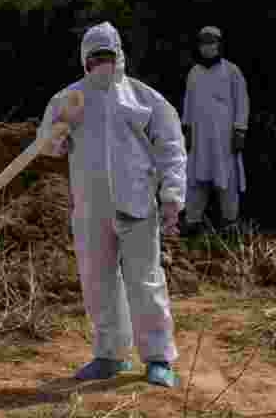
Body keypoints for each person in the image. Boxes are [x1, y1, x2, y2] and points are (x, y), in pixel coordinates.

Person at [38, 22, 184, 388]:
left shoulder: (143, 98)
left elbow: (170, 146)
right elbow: (46, 147)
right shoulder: (68, 100)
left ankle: (158, 356)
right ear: (84, 60)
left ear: (119, 56)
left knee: (145, 280)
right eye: (95, 57)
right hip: (90, 206)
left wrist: (172, 195)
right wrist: (60, 129)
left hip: (136, 203)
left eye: (108, 56)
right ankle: (109, 354)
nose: (102, 63)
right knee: (96, 280)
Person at [181, 26, 249, 236]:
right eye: (204, 41)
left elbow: (242, 102)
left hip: (225, 140)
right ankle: (192, 221)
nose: (208, 45)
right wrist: (187, 129)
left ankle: (230, 223)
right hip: (199, 139)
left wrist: (240, 130)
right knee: (195, 179)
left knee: (227, 179)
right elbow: (188, 104)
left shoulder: (232, 71)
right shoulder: (194, 73)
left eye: (212, 41)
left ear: (219, 44)